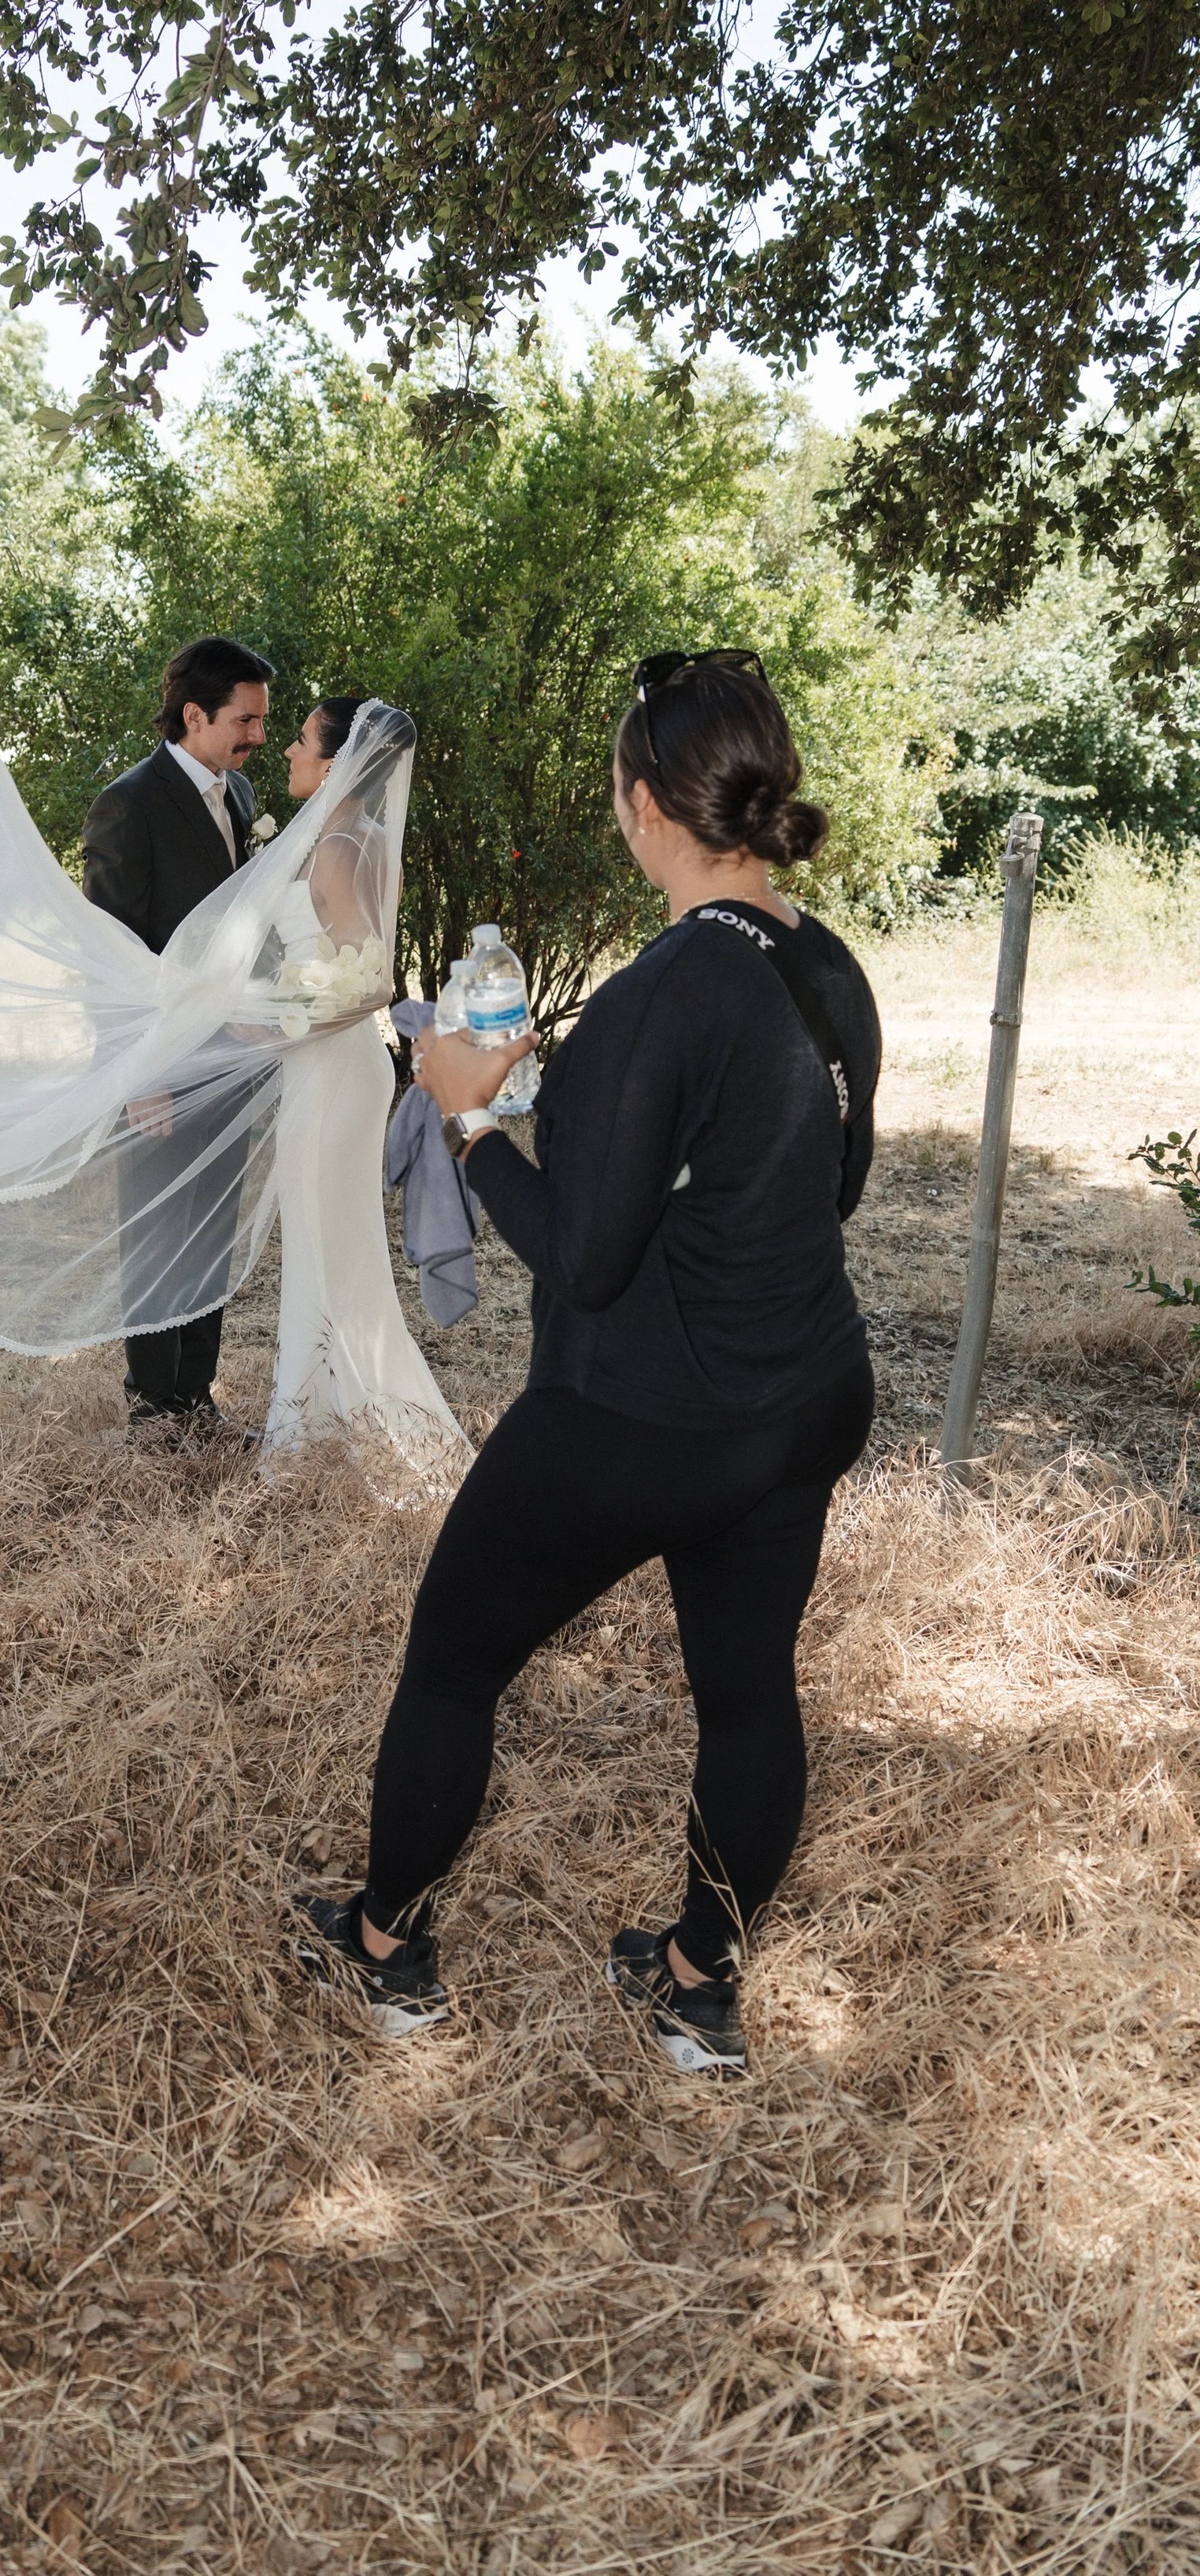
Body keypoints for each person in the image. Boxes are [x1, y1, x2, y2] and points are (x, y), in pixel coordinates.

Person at [295, 649, 880, 2075]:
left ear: (640, 806)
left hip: (649, 1419)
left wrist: (467, 1121)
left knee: (451, 1663)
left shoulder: (660, 989)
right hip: (804, 1399)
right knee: (750, 1690)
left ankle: (386, 1948)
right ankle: (696, 1981)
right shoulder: (822, 960)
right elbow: (829, 1176)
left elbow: (582, 1257)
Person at [263, 699, 468, 1483]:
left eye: (301, 740)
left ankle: (333, 1432)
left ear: (335, 761)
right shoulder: (368, 838)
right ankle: (322, 1422)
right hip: (340, 1064)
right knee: (331, 1244)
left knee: (326, 1244)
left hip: (329, 1064)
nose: (287, 749)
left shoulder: (338, 851)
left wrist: (273, 1025)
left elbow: (364, 983)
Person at [81, 635, 275, 1436]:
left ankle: (197, 1397)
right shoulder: (128, 803)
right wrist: (139, 1075)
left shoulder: (238, 795)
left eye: (263, 721)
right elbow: (110, 954)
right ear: (194, 715)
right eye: (246, 719)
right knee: (158, 1233)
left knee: (209, 1231)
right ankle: (153, 1408)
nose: (258, 735)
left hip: (229, 1061)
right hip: (160, 1066)